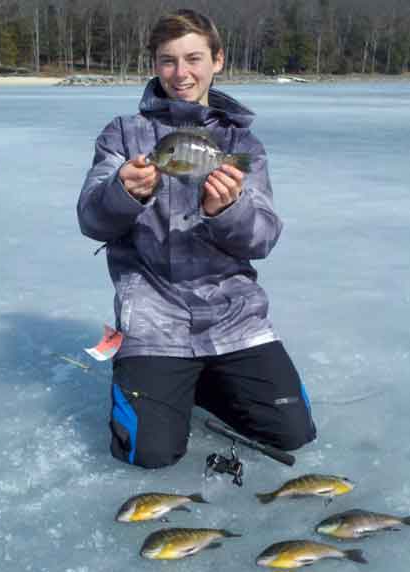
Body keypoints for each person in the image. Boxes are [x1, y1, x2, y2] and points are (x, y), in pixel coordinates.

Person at [77, 9, 316, 469]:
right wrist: (123, 193)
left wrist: (228, 210)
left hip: (233, 315)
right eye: (168, 61)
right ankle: (167, 382)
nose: (181, 73)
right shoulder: (124, 135)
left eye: (193, 58)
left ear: (218, 60)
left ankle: (201, 382)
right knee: (147, 453)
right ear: (154, 64)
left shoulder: (241, 145)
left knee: (292, 433)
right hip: (152, 318)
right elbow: (92, 219)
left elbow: (262, 239)